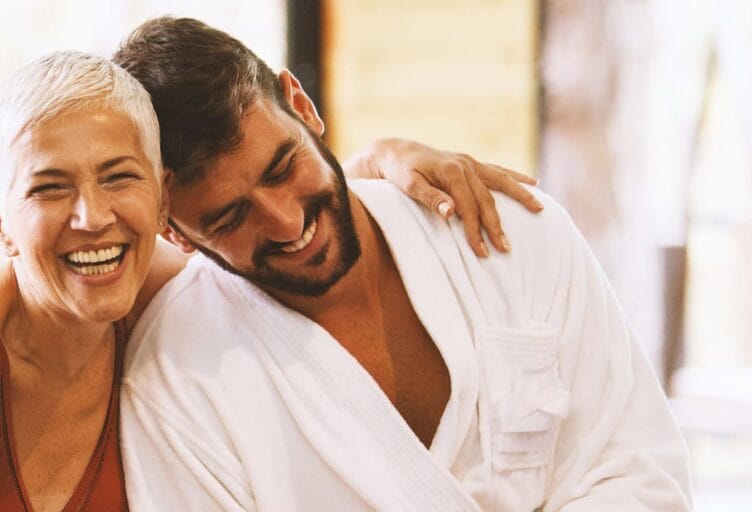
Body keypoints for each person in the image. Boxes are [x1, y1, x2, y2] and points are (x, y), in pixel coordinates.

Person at [0, 50, 536, 510]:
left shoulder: (151, 292)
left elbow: (269, 235)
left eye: (119, 178)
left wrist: (383, 160)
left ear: (160, 206)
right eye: (50, 190)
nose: (92, 217)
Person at [112, 16, 693, 511]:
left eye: (283, 167)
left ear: (301, 105)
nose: (287, 223)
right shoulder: (177, 385)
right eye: (230, 218)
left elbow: (643, 475)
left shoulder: (514, 233)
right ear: (174, 231)